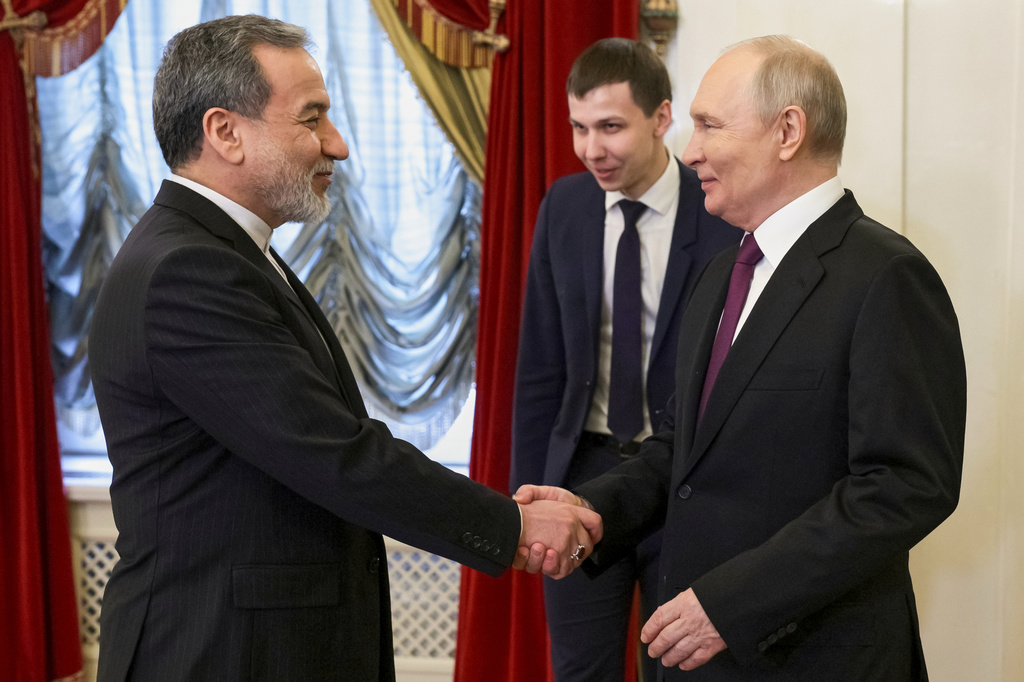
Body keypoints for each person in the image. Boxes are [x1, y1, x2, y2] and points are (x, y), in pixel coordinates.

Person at [89, 15, 600, 682]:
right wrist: (512, 526)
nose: (338, 144)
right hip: (219, 651)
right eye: (312, 119)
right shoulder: (189, 271)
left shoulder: (220, 252)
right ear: (224, 133)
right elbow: (330, 450)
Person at [516, 35, 967, 680]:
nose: (690, 149)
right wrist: (592, 512)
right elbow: (682, 446)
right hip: (696, 653)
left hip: (813, 655)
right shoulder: (726, 270)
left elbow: (903, 488)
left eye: (709, 125)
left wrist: (730, 605)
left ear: (788, 130)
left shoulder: (886, 276)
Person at [510, 37, 741, 682]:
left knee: (678, 668)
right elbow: (540, 365)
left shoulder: (721, 207)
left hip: (685, 478)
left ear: (662, 117)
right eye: (579, 128)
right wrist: (525, 500)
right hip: (581, 477)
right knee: (580, 669)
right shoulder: (565, 206)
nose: (591, 149)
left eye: (610, 127)